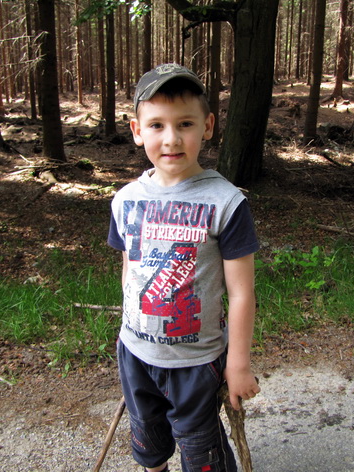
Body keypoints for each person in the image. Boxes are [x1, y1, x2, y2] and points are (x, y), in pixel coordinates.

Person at [108, 63, 261, 472]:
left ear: (207, 126)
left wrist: (238, 364)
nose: (171, 138)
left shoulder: (226, 203)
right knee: (148, 440)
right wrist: (130, 336)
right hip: (136, 353)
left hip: (196, 361)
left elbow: (241, 292)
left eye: (185, 124)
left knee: (200, 449)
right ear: (137, 130)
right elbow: (130, 270)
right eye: (156, 125)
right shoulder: (125, 200)